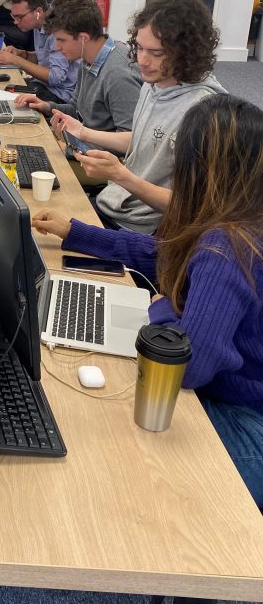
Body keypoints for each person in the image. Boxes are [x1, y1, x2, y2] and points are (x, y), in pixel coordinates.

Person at [32, 94, 263, 509]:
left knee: (111, 439)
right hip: (242, 396)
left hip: (248, 421)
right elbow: (164, 254)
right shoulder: (240, 217)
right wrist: (77, 232)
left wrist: (160, 306)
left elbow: (188, 368)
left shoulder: (224, 247)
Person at [53, 0, 225, 233]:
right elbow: (145, 138)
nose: (142, 61)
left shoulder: (207, 114)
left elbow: (194, 208)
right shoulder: (153, 84)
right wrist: (82, 131)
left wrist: (122, 176)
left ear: (189, 52)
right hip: (114, 204)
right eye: (140, 48)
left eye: (157, 53)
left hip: (140, 231)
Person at [14, 0, 142, 138]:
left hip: (93, 156)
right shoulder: (87, 57)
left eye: (61, 40)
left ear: (83, 38)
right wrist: (46, 106)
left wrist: (74, 142)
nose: (56, 47)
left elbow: (130, 143)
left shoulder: (118, 74)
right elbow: (76, 110)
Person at [0, 0, 79, 102]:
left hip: (59, 95)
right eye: (13, 16)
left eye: (20, 17)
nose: (16, 22)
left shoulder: (57, 30)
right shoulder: (39, 23)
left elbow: (55, 77)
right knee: (0, 90)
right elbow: (46, 59)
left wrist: (16, 61)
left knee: (7, 100)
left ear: (38, 12)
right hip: (43, 86)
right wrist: (23, 54)